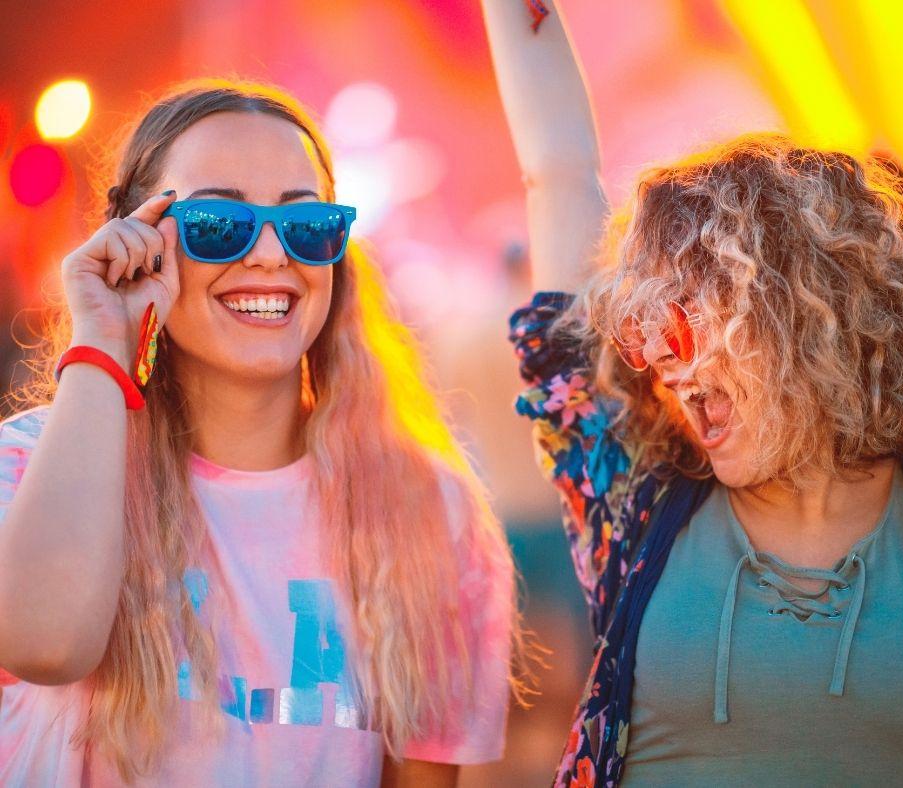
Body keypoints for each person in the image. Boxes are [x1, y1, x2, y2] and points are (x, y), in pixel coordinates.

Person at [0, 80, 516, 787]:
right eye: (219, 223)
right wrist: (101, 338)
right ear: (136, 238)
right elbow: (44, 645)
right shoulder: (31, 463)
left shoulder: (428, 509)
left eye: (307, 226)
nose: (273, 254)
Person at [483, 1, 903, 785]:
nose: (668, 366)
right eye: (647, 334)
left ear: (808, 316)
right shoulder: (636, 503)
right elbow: (557, 173)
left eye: (690, 326)